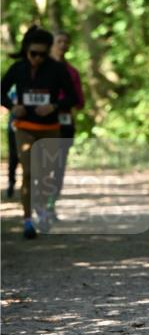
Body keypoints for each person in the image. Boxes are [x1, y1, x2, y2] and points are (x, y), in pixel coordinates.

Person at [1, 26, 76, 238]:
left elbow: (72, 96)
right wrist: (12, 106)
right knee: (29, 172)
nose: (38, 59)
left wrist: (54, 106)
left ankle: (41, 208)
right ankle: (27, 220)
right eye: (34, 54)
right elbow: (1, 91)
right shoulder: (17, 69)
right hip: (24, 128)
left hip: (50, 129)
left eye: (43, 54)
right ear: (26, 51)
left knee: (45, 174)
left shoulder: (57, 70)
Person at [49, 30, 85, 216]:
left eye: (65, 41)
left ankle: (50, 205)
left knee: (59, 166)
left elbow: (79, 101)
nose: (62, 45)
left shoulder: (72, 72)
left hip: (65, 122)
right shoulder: (41, 69)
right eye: (58, 41)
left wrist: (63, 104)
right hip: (42, 124)